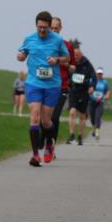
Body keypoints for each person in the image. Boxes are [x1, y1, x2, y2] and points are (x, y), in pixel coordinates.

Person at [17, 12, 69, 166]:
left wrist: (57, 59)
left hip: (52, 85)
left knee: (46, 121)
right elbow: (21, 54)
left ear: (49, 27)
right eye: (40, 27)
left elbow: (66, 58)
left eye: (45, 28)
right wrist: (20, 56)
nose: (42, 30)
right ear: (36, 25)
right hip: (33, 83)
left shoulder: (58, 40)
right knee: (34, 116)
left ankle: (50, 143)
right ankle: (35, 155)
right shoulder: (29, 38)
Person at [48, 17, 75, 145]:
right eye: (51, 28)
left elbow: (73, 66)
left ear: (60, 28)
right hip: (45, 84)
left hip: (61, 85)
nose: (54, 30)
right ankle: (44, 139)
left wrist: (66, 65)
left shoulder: (68, 45)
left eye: (56, 28)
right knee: (44, 117)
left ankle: (52, 144)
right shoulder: (43, 43)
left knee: (54, 117)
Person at [65, 43, 95, 146]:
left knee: (82, 115)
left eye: (77, 55)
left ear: (81, 55)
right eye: (74, 55)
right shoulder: (70, 62)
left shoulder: (87, 63)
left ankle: (80, 136)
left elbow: (93, 76)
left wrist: (92, 86)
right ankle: (72, 134)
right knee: (72, 112)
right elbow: (65, 74)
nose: (76, 57)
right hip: (73, 90)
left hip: (84, 91)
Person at [87, 67, 110, 141]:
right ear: (96, 74)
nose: (99, 75)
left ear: (102, 74)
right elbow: (88, 89)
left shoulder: (105, 82)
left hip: (100, 102)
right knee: (92, 117)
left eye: (101, 74)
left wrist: (107, 95)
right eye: (98, 74)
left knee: (98, 117)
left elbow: (107, 91)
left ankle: (97, 132)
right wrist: (88, 91)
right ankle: (94, 127)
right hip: (91, 101)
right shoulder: (91, 80)